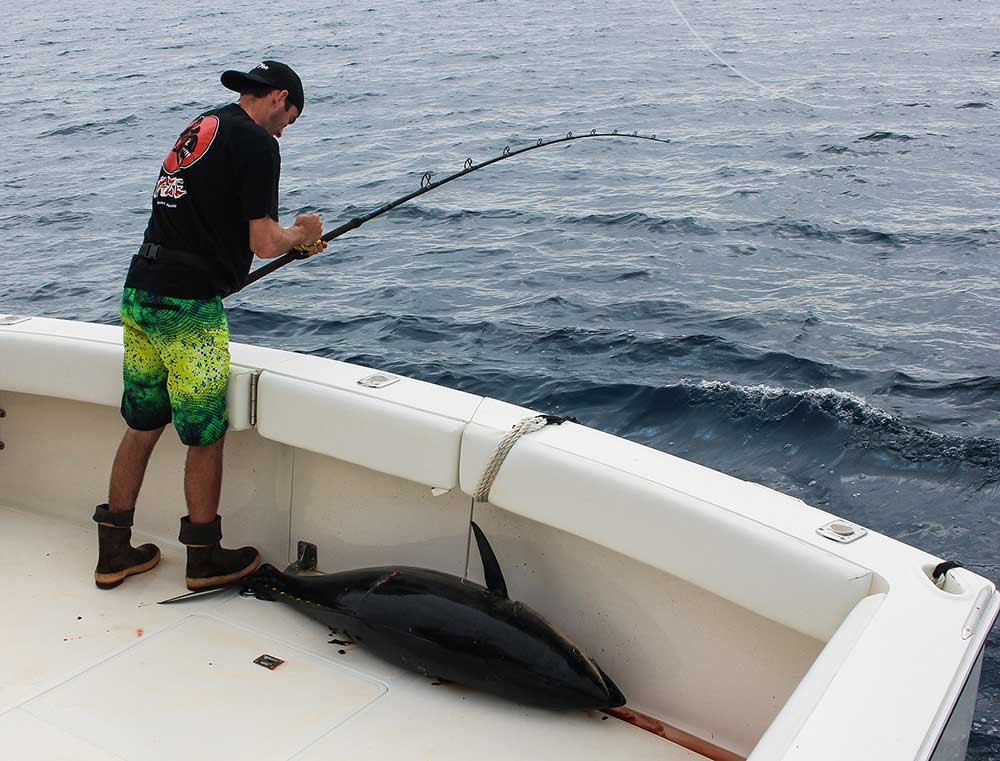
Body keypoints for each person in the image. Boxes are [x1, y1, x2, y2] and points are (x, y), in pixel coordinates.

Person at [93, 60, 327, 591]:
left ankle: (114, 552)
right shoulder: (259, 144)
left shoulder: (204, 124)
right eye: (290, 117)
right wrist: (303, 231)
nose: (286, 128)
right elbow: (265, 242)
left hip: (141, 292)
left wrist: (289, 242)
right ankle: (203, 557)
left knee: (142, 423)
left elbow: (208, 215)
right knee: (204, 434)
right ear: (279, 98)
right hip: (187, 307)